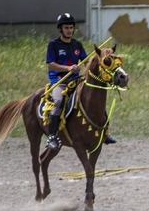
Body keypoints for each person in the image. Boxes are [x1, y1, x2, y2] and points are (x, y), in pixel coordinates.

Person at [45, 13, 117, 150]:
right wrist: (68, 68)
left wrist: (100, 61)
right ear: (60, 29)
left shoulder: (77, 44)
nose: (70, 30)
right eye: (66, 28)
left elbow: (86, 61)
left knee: (96, 99)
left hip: (77, 81)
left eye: (71, 28)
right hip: (59, 81)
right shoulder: (53, 45)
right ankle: (52, 136)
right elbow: (50, 64)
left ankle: (105, 133)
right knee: (59, 101)